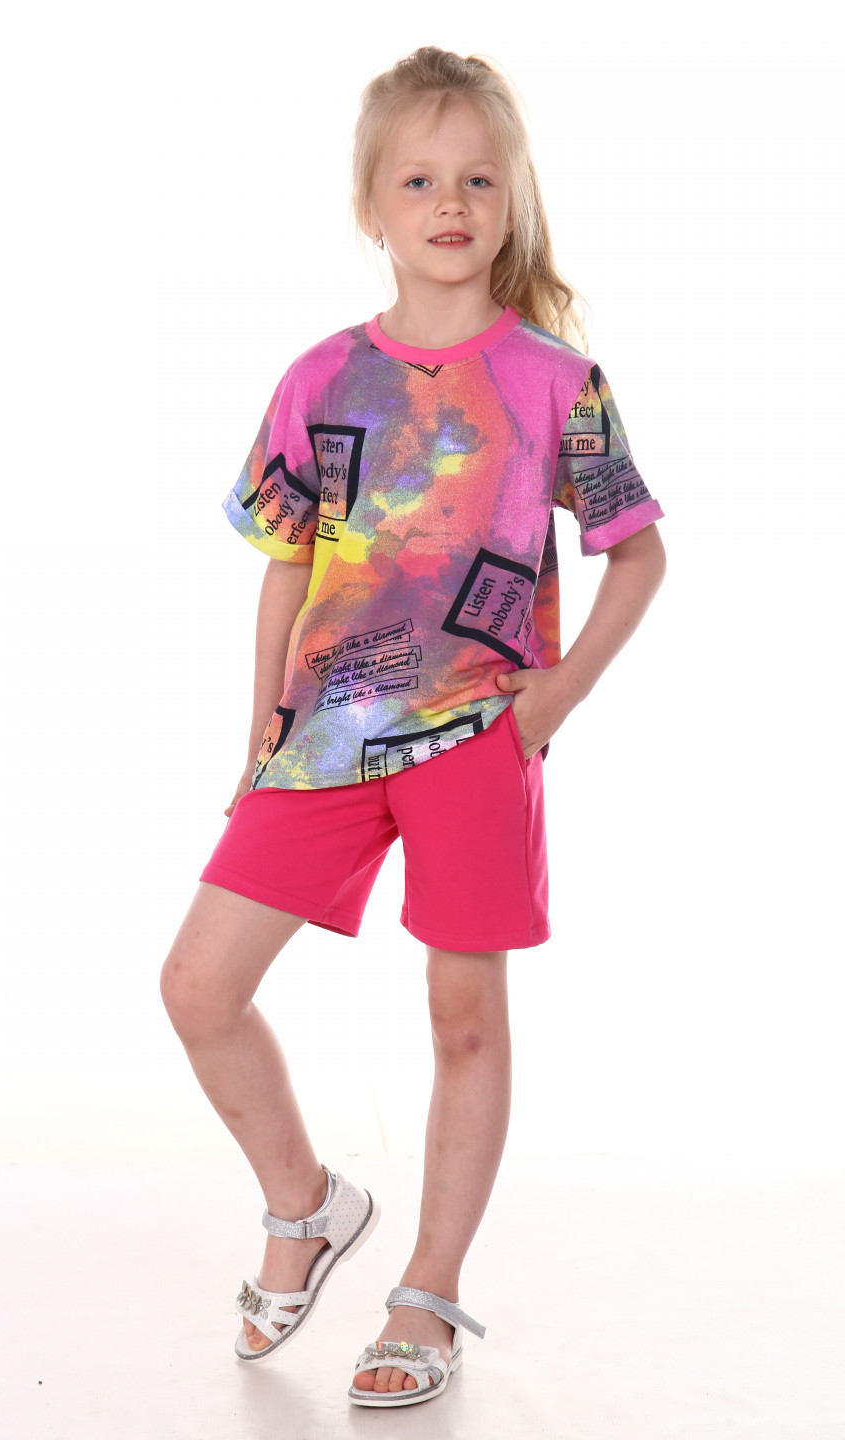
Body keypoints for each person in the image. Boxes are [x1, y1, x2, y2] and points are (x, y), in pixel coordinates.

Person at [160, 44, 666, 1410]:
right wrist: (260, 727)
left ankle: (427, 1294)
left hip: (476, 739)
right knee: (198, 986)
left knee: (462, 1016)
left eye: (479, 180)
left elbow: (637, 552)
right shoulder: (322, 377)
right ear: (371, 206)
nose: (451, 203)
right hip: (324, 730)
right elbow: (287, 561)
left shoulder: (556, 381)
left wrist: (557, 694)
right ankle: (307, 1204)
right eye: (420, 180)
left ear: (513, 200)